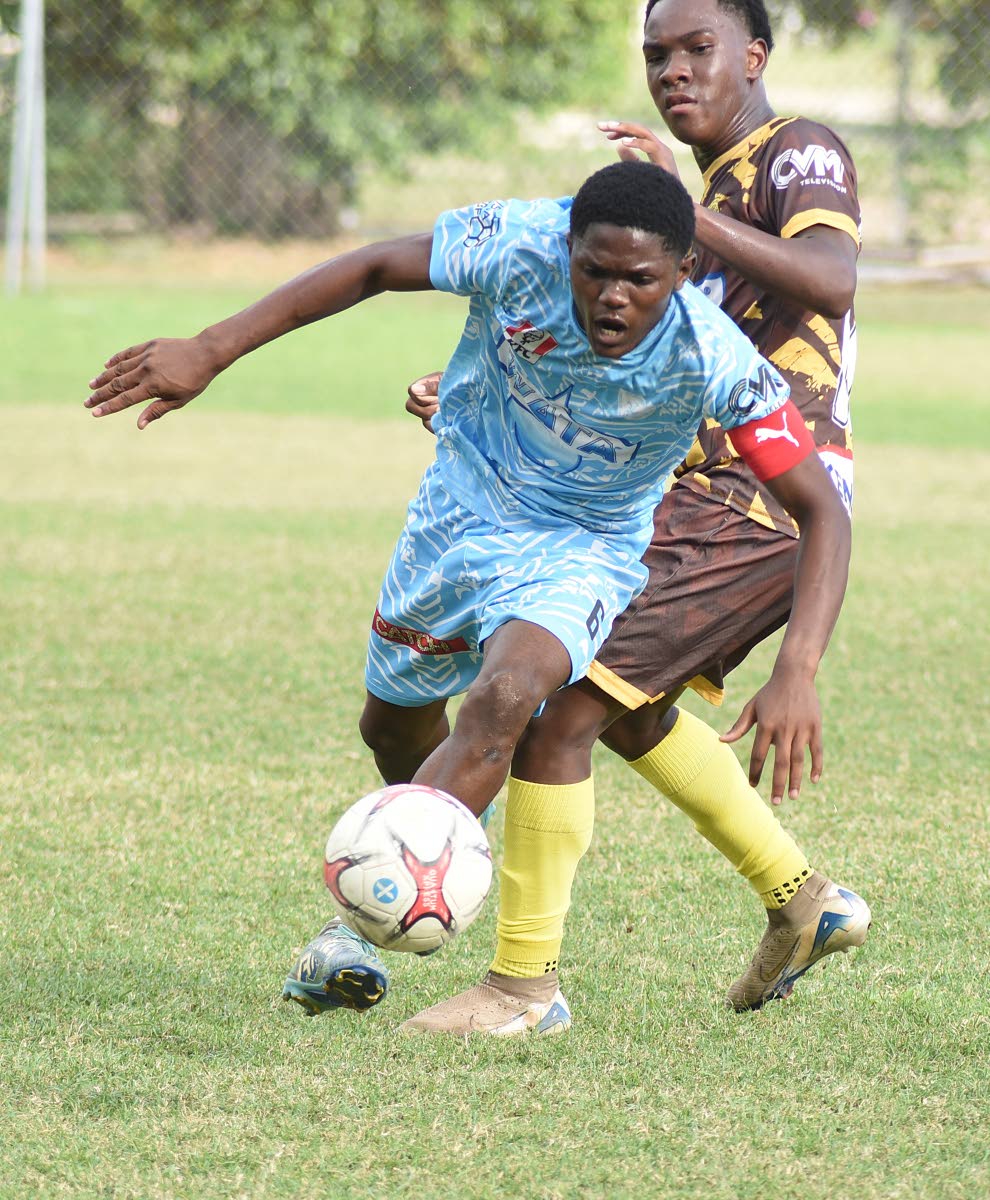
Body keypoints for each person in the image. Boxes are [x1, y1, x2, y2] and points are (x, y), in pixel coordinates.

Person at [84, 159, 848, 1030]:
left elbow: (822, 511)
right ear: (566, 249)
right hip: (455, 515)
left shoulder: (710, 354)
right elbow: (375, 266)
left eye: (640, 280)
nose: (611, 297)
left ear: (681, 274)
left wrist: (800, 667)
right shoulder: (515, 242)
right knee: (393, 728)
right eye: (593, 270)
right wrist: (212, 347)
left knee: (510, 700)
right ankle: (442, 887)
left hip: (583, 550)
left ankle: (369, 941)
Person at [394, 0, 870, 1036]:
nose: (674, 70)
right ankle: (803, 900)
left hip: (754, 506)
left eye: (699, 49)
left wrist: (802, 668)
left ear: (756, 53)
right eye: (656, 53)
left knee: (555, 706)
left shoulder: (799, 153)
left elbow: (830, 280)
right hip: (694, 494)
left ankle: (522, 986)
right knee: (629, 708)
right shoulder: (714, 182)